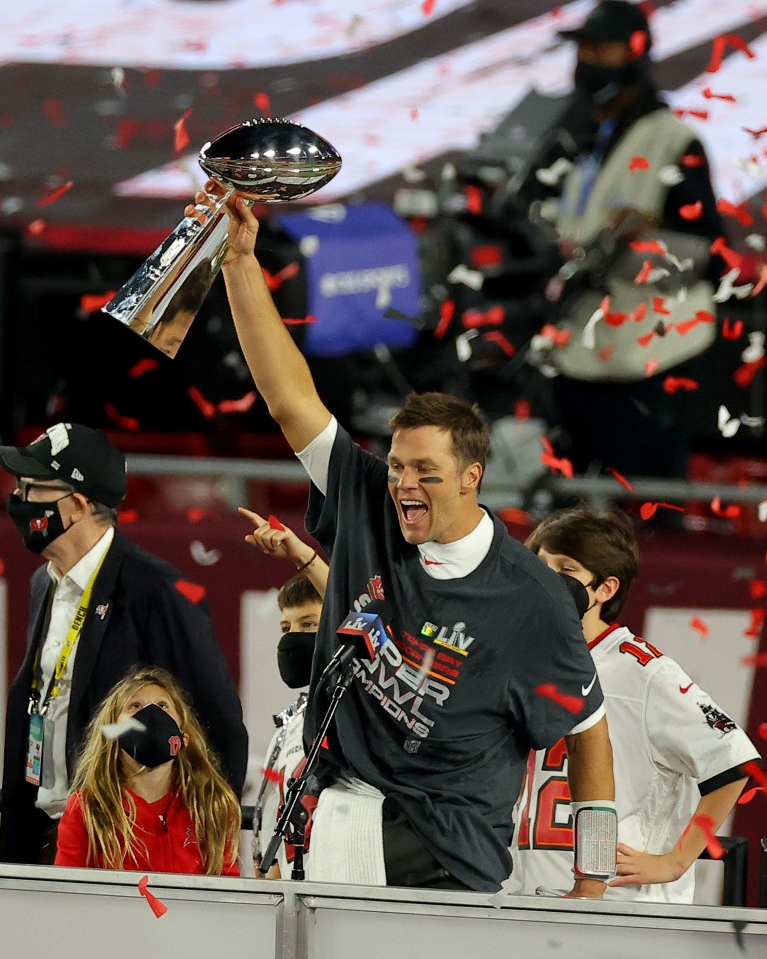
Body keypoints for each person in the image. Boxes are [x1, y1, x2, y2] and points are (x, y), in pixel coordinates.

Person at [188, 185, 616, 896]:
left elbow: (590, 729)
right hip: (339, 821)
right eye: (396, 467)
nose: (404, 484)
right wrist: (239, 263)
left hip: (447, 856)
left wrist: (594, 879)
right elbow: (289, 398)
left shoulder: (532, 598)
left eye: (426, 471)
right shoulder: (365, 501)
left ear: (473, 476)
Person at [0, 422, 248, 864]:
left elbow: (218, 728)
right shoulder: (45, 582)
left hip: (121, 850)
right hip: (45, 833)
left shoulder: (157, 592)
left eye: (32, 489)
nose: (17, 500)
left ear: (75, 505)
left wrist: (193, 848)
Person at [512, 505, 761, 903]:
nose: (545, 577)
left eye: (566, 568)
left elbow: (735, 762)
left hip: (623, 909)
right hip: (527, 898)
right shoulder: (518, 659)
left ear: (606, 589)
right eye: (539, 562)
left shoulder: (643, 671)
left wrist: (674, 861)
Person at [530, 0, 723, 478]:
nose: (589, 62)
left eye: (603, 49)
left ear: (635, 56)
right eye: (584, 50)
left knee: (644, 510)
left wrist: (628, 250)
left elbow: (708, 254)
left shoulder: (674, 140)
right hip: (586, 347)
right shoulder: (587, 136)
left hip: (649, 356)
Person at [54, 666, 240, 874]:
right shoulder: (87, 808)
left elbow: (229, 892)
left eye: (162, 705)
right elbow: (66, 893)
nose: (151, 714)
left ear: (184, 737)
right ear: (114, 734)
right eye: (135, 706)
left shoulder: (212, 805)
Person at [238, 508, 328, 879]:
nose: (293, 636)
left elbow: (359, 607)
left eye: (309, 624)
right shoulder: (291, 723)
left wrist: (303, 556)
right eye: (286, 626)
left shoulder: (369, 705)